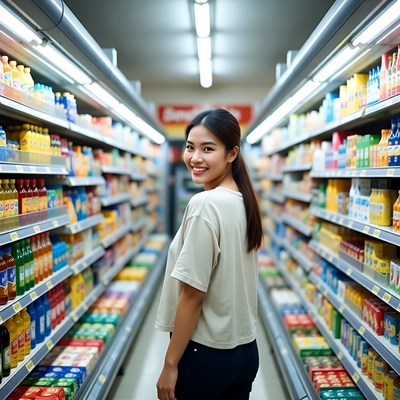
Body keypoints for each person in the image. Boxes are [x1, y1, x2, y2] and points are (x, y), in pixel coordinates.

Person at [155, 108, 263, 400]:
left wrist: (169, 363)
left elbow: (193, 294)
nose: (195, 157)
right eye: (190, 147)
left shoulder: (205, 204)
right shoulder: (244, 200)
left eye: (208, 148)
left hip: (206, 353)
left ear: (232, 154)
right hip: (245, 351)